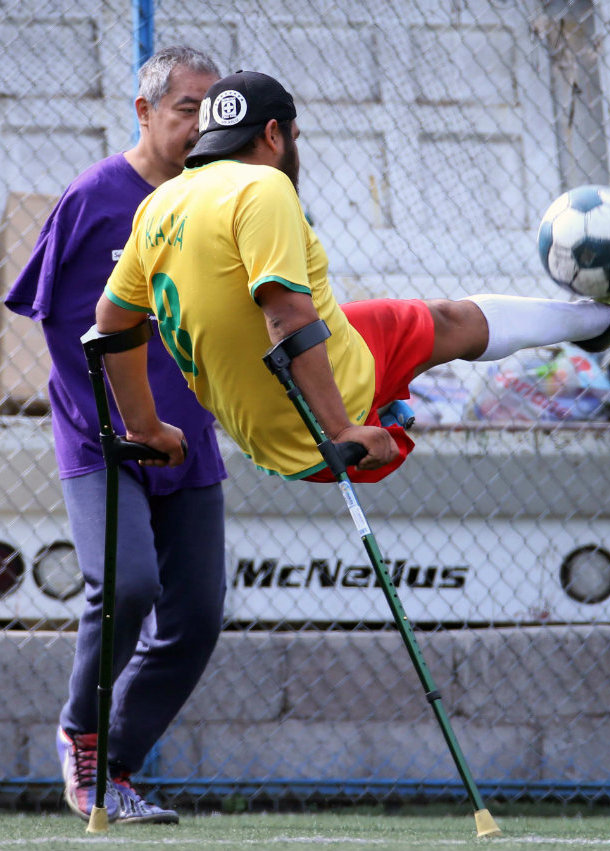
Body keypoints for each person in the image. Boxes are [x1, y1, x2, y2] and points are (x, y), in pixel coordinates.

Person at [93, 69, 610, 487]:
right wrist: (342, 429)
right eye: (293, 138)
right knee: (445, 322)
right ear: (273, 135)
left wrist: (146, 430)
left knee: (403, 316)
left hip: (260, 436)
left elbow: (110, 324)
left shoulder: (159, 204)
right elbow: (287, 317)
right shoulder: (263, 185)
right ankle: (597, 319)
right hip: (318, 427)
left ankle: (594, 323)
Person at [5, 47, 227, 825]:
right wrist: (130, 424)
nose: (200, 125)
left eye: (212, 111)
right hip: (101, 437)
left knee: (197, 616)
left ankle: (115, 766)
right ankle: (82, 732)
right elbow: (61, 327)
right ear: (144, 111)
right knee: (128, 582)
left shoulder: (220, 200)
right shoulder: (95, 197)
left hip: (189, 441)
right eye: (186, 108)